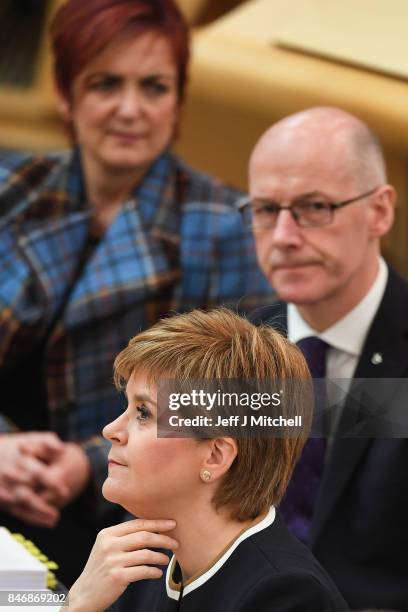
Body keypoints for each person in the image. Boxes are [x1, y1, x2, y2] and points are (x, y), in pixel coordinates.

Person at [0, 0, 271, 586]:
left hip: (125, 527)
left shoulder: (225, 226)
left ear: (178, 102)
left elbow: (265, 405)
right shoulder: (13, 190)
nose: (130, 110)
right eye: (105, 84)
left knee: (27, 598)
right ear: (65, 93)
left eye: (154, 87)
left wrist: (84, 464)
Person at [68, 308, 348, 612]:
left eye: (144, 413)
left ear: (215, 456)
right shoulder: (139, 553)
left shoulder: (288, 597)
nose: (111, 430)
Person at [241, 106, 408, 610]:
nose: (285, 237)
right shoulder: (224, 351)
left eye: (314, 207)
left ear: (379, 210)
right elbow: (155, 517)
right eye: (266, 210)